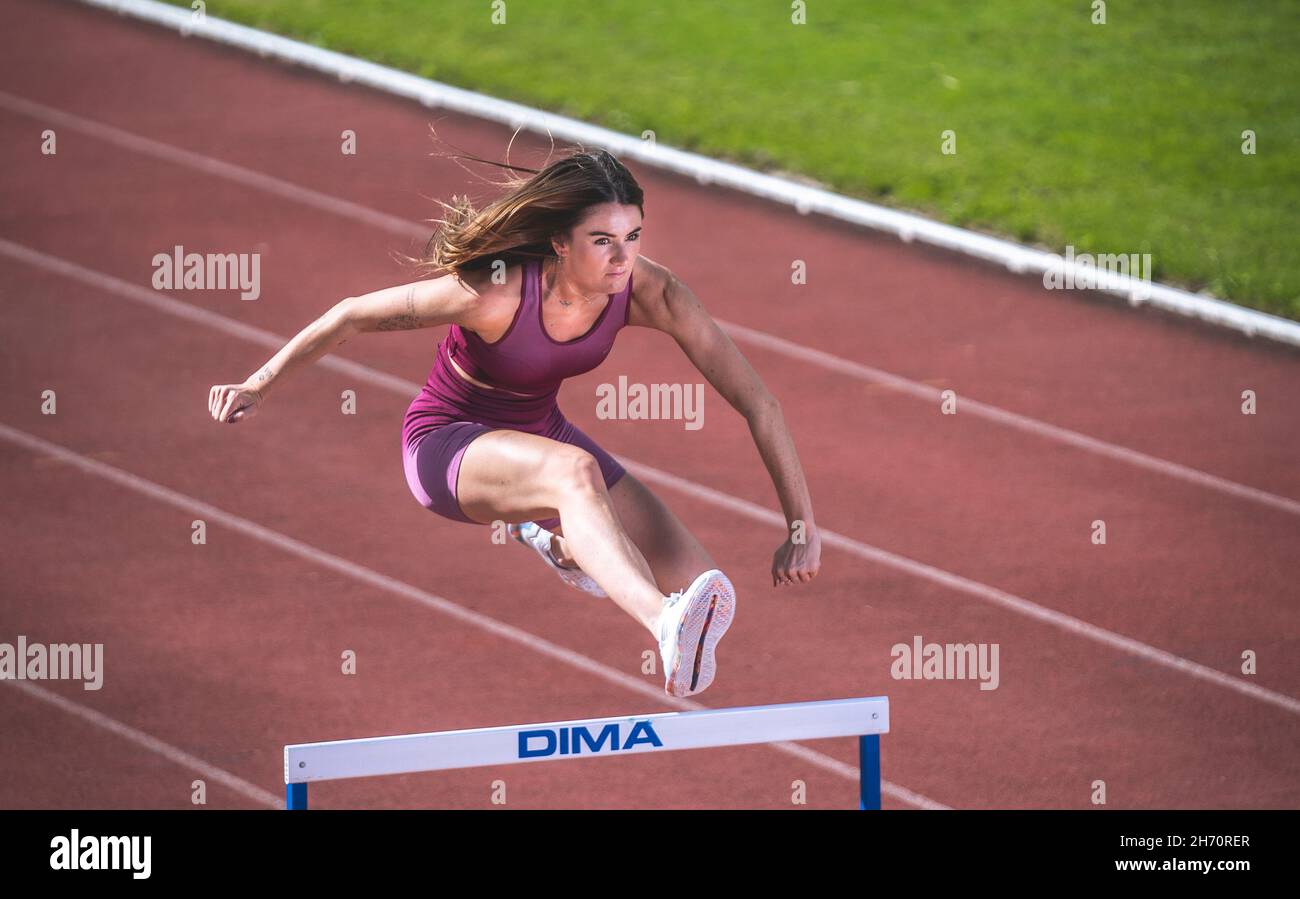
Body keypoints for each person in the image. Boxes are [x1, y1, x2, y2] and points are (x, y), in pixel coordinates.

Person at [208, 147, 821, 697]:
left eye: (633, 236)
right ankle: (661, 623)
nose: (622, 257)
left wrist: (801, 524)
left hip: (538, 438)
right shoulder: (496, 293)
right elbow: (351, 314)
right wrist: (257, 382)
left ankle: (560, 543)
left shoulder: (650, 292)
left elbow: (758, 401)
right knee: (580, 480)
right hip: (446, 445)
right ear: (559, 241)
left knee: (701, 581)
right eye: (602, 240)